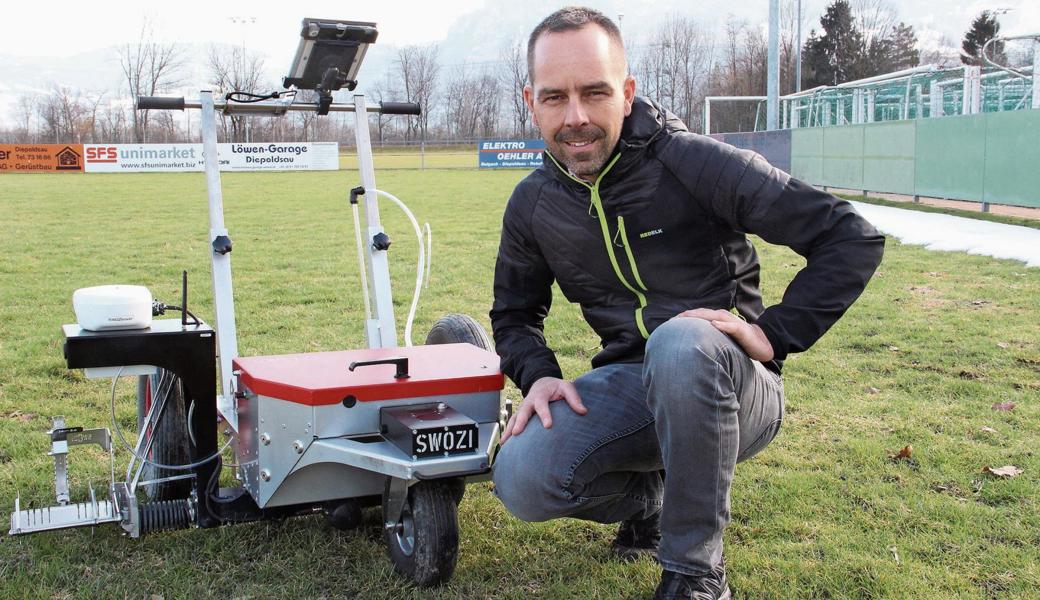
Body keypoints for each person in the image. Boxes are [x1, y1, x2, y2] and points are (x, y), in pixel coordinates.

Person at [489, 7, 885, 600]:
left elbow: (849, 237)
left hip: (732, 386)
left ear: (626, 93)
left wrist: (774, 335)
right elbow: (514, 314)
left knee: (680, 340)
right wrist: (539, 376)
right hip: (632, 382)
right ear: (531, 101)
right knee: (520, 478)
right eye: (555, 97)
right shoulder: (533, 203)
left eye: (595, 93)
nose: (576, 118)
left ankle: (696, 575)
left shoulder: (694, 163)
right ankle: (650, 498)